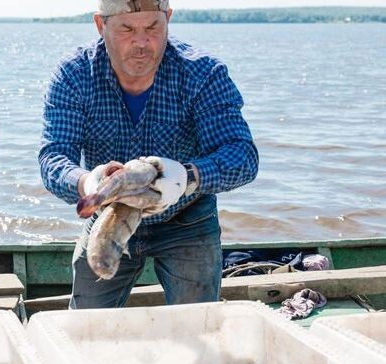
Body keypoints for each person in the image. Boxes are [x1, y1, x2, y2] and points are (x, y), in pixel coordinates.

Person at [38, 0, 258, 309]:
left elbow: (242, 155)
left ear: (168, 18)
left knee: (198, 322)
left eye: (153, 27)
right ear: (101, 25)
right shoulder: (74, 75)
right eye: (127, 29)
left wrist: (186, 177)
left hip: (187, 219)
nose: (142, 42)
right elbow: (54, 156)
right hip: (109, 216)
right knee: (85, 321)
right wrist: (89, 183)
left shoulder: (204, 73)